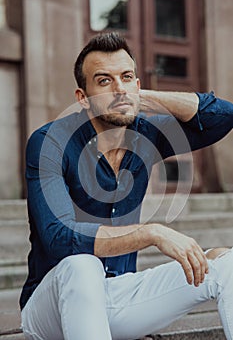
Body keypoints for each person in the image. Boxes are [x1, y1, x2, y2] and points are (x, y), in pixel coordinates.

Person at [20, 32, 233, 340]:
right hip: (51, 306)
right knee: (82, 266)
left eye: (126, 77)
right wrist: (151, 232)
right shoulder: (50, 142)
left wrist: (140, 97)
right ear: (83, 97)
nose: (118, 88)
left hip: (118, 296)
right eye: (104, 81)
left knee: (226, 265)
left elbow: (222, 117)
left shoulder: (145, 134)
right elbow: (59, 237)